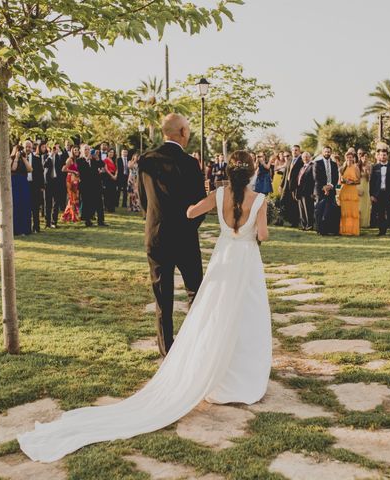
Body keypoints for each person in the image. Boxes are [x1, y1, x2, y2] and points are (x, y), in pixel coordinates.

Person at [17, 149, 271, 464]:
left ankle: (216, 373)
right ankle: (242, 377)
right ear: (251, 173)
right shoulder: (260, 200)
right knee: (246, 317)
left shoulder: (218, 194)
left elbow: (191, 212)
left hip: (223, 260)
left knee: (216, 316)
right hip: (245, 263)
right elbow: (263, 235)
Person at [135, 113, 207, 357]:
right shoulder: (190, 164)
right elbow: (200, 205)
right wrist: (188, 228)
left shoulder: (145, 160)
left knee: (162, 296)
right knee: (195, 292)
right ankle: (196, 344)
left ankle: (167, 350)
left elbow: (144, 201)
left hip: (156, 236)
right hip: (185, 237)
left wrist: (155, 222)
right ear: (183, 133)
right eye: (188, 129)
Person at [369, 142, 390, 237]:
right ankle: (382, 231)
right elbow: (372, 182)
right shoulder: (375, 167)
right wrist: (371, 195)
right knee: (380, 213)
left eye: (384, 155)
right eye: (381, 155)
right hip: (379, 194)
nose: (383, 156)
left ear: (387, 156)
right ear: (379, 156)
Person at [77, 145, 107, 227]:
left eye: (88, 149)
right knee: (87, 203)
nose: (87, 151)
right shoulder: (80, 160)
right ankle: (88, 221)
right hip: (86, 185)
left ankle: (101, 221)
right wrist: (87, 160)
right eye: (85, 149)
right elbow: (82, 171)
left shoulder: (94, 159)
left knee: (99, 203)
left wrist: (97, 158)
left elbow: (102, 164)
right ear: (82, 151)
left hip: (96, 184)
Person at [313, 146, 340, 235]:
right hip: (320, 190)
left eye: (329, 152)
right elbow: (316, 177)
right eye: (325, 152)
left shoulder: (334, 164)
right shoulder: (317, 163)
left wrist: (330, 186)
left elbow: (336, 177)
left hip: (331, 190)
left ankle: (328, 229)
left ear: (331, 153)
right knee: (320, 210)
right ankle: (320, 230)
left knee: (329, 210)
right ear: (322, 152)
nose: (327, 153)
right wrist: (324, 187)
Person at [11, 145, 32, 235]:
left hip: (23, 182)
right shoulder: (11, 159)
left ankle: (25, 228)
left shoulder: (24, 159)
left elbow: (30, 169)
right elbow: (13, 168)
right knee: (16, 204)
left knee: (25, 204)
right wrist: (16, 157)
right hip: (15, 182)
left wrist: (23, 158)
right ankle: (16, 229)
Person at [280, 145, 303, 227]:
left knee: (294, 204)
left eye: (296, 150)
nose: (294, 152)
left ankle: (295, 222)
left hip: (295, 186)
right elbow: (285, 173)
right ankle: (282, 220)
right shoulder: (289, 160)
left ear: (299, 151)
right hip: (286, 185)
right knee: (283, 201)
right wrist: (281, 185)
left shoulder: (302, 160)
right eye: (293, 150)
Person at [43, 142, 65, 228]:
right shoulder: (45, 156)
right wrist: (50, 155)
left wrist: (59, 151)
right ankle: (47, 222)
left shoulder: (59, 156)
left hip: (57, 182)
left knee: (56, 203)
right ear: (48, 148)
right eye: (52, 148)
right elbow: (45, 165)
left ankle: (54, 222)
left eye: (55, 148)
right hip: (48, 182)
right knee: (47, 203)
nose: (54, 149)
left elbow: (64, 162)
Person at [339, 151, 361, 236]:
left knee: (352, 211)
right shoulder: (342, 168)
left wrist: (351, 182)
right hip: (344, 190)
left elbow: (359, 181)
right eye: (347, 157)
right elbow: (340, 180)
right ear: (345, 158)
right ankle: (344, 230)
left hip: (352, 191)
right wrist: (344, 181)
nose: (349, 159)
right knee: (344, 211)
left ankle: (353, 231)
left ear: (353, 158)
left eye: (351, 157)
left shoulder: (356, 167)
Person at [26, 141, 44, 233]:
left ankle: (36, 227)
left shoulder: (37, 159)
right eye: (26, 147)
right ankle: (26, 227)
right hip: (24, 185)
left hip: (35, 185)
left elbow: (41, 173)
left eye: (29, 147)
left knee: (35, 207)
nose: (28, 149)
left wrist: (41, 186)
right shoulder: (21, 158)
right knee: (26, 207)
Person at [296, 151, 315, 230]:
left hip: (308, 191)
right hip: (300, 191)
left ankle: (309, 225)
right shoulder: (302, 167)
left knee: (308, 209)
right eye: (304, 157)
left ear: (310, 157)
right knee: (302, 209)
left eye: (307, 156)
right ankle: (303, 225)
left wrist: (313, 192)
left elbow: (314, 180)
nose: (305, 158)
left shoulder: (313, 166)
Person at [61, 145, 80, 223]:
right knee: (71, 198)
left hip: (75, 180)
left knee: (74, 198)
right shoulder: (70, 159)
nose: (76, 151)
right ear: (72, 151)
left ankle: (70, 215)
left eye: (77, 150)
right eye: (75, 150)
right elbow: (63, 169)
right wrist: (73, 172)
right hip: (70, 180)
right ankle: (69, 216)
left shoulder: (76, 160)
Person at [357, 149, 372, 228]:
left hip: (366, 186)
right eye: (363, 156)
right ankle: (358, 222)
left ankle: (365, 223)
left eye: (366, 157)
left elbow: (368, 179)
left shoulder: (369, 166)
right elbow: (356, 178)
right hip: (359, 186)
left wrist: (366, 172)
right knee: (359, 205)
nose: (365, 158)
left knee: (365, 205)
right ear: (361, 157)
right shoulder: (357, 166)